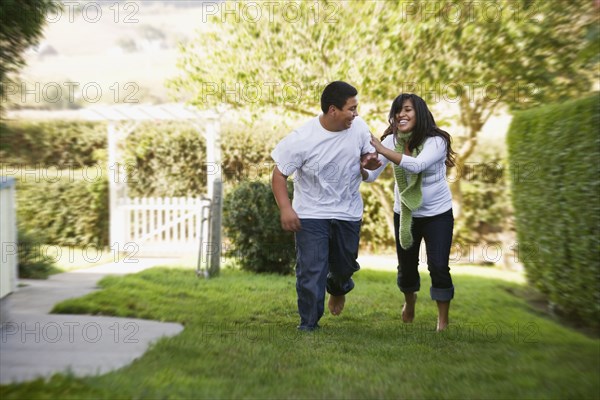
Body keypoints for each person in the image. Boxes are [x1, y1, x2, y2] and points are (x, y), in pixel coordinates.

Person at [271, 81, 381, 331]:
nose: (356, 114)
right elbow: (279, 175)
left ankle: (338, 286)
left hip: (347, 211)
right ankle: (308, 323)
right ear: (333, 110)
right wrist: (286, 209)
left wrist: (369, 162)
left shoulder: (359, 127)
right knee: (311, 269)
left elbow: (367, 156)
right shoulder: (302, 138)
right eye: (351, 109)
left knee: (344, 266)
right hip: (311, 213)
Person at [366, 93, 456, 332]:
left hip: (437, 214)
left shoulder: (436, 141)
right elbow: (371, 177)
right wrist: (363, 167)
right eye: (397, 111)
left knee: (438, 266)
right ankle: (409, 301)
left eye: (407, 110)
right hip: (405, 213)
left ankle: (443, 321)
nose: (401, 115)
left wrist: (382, 150)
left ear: (420, 113)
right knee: (406, 267)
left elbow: (416, 165)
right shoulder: (391, 141)